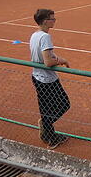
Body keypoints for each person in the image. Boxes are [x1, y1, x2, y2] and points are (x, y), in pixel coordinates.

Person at [29, 9, 71, 148]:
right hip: (47, 79)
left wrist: (59, 58)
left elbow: (48, 54)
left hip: (36, 76)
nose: (54, 21)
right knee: (64, 104)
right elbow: (48, 62)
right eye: (52, 19)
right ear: (45, 21)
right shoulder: (45, 37)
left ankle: (50, 135)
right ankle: (46, 125)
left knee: (46, 108)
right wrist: (61, 61)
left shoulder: (35, 35)